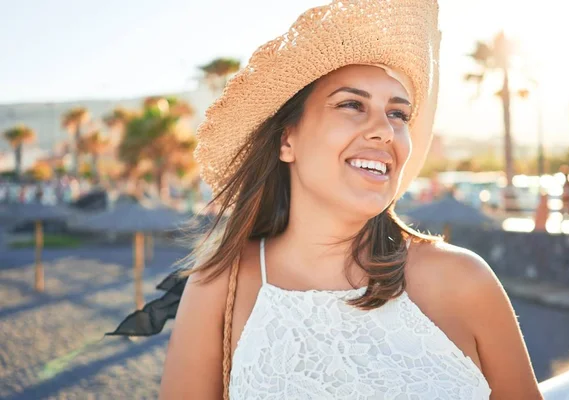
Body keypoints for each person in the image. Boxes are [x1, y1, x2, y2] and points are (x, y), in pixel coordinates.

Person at [109, 1, 542, 398]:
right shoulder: (220, 287)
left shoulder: (463, 281)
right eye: (352, 105)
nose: (384, 130)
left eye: (398, 113)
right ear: (287, 140)